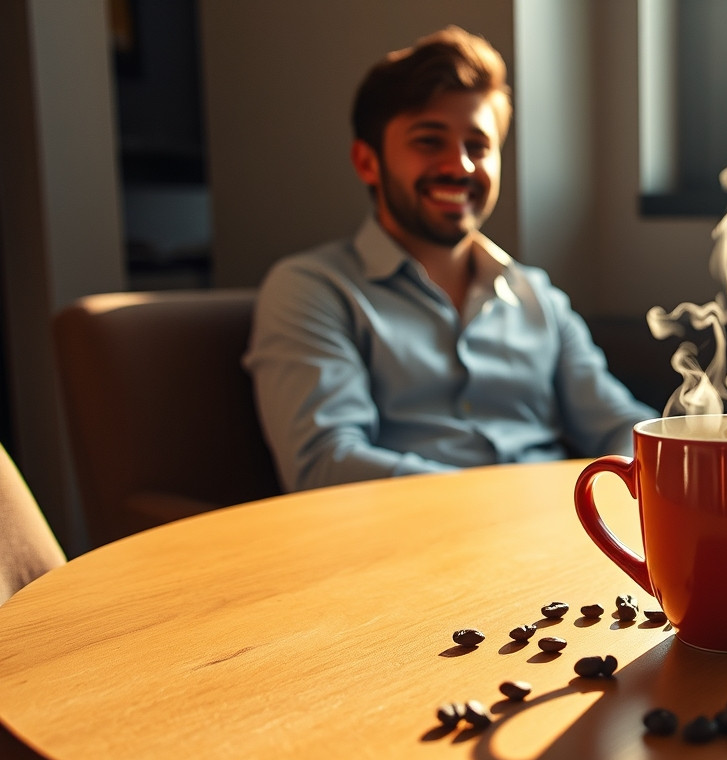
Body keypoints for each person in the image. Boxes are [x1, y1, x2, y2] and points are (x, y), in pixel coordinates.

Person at [245, 26, 656, 493]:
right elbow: (325, 465)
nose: (459, 165)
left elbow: (619, 423)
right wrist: (494, 504)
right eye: (428, 140)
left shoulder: (536, 295)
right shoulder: (313, 290)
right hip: (412, 548)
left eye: (477, 146)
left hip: (554, 537)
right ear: (367, 163)